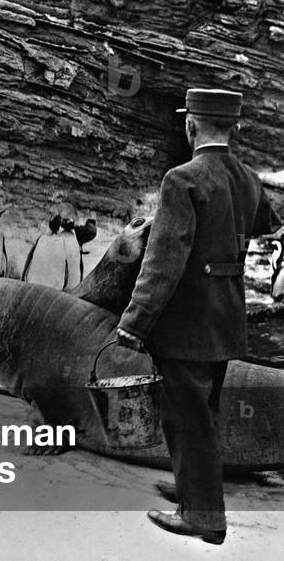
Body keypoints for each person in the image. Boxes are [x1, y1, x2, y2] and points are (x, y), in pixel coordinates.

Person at [116, 88, 281, 545]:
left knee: (186, 417)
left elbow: (163, 262)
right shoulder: (248, 179)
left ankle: (204, 518)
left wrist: (134, 322)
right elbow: (268, 225)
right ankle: (194, 493)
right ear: (235, 128)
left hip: (186, 326)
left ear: (190, 125)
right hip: (226, 320)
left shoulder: (181, 180)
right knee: (203, 413)